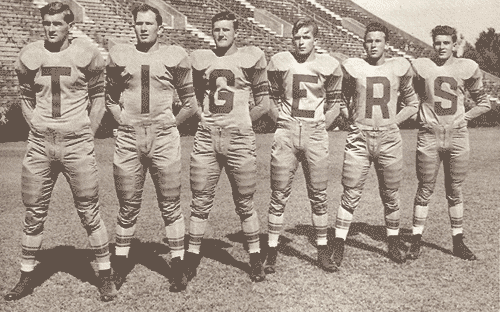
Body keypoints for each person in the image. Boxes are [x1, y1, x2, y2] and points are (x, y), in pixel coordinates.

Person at [5, 2, 116, 301]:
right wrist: (36, 126)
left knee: (89, 211)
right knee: (34, 212)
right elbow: (26, 98)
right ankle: (25, 276)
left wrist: (87, 134)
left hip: (76, 141)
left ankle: (105, 276)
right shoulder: (30, 55)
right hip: (41, 144)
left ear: (70, 26)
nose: (51, 28)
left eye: (57, 24)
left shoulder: (87, 55)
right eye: (47, 23)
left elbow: (99, 100)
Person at [106, 3, 197, 292]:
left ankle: (178, 266)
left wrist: (171, 123)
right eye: (138, 23)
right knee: (127, 205)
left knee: (170, 205)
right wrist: (123, 122)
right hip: (130, 138)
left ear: (160, 27)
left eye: (149, 23)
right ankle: (119, 265)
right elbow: (109, 98)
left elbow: (190, 103)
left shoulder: (174, 56)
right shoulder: (121, 56)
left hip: (163, 137)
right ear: (133, 26)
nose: (143, 28)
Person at [184, 11, 270, 283]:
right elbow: (193, 98)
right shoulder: (203, 59)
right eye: (216, 29)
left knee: (245, 202)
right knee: (199, 202)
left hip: (239, 139)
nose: (220, 34)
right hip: (207, 137)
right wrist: (205, 121)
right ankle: (191, 259)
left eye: (226, 30)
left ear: (236, 32)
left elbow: (264, 103)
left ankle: (256, 258)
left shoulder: (250, 57)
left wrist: (243, 123)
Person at [332, 22, 419, 266]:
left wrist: (394, 121)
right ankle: (338, 244)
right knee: (350, 192)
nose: (373, 45)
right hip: (360, 138)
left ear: (385, 44)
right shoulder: (354, 68)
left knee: (390, 194)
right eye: (369, 41)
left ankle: (392, 242)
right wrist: (350, 118)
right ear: (364, 43)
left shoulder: (398, 68)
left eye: (377, 41)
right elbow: (341, 98)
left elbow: (413, 103)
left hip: (389, 138)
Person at [264, 18, 345, 274]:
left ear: (315, 39)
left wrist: (321, 125)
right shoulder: (279, 61)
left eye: (306, 37)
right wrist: (282, 121)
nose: (301, 42)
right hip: (287, 132)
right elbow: (270, 97)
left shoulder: (329, 65)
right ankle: (272, 250)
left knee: (319, 195)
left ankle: (322, 249)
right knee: (278, 194)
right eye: (297, 37)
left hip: (315, 133)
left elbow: (334, 104)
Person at [406, 25, 490, 261]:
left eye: (446, 43)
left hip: (457, 136)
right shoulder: (422, 66)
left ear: (455, 44)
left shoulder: (467, 67)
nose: (441, 47)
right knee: (424, 189)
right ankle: (415, 240)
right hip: (429, 134)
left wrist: (464, 117)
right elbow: (408, 95)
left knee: (454, 190)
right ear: (433, 44)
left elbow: (484, 103)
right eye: (438, 43)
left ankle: (458, 241)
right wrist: (419, 115)